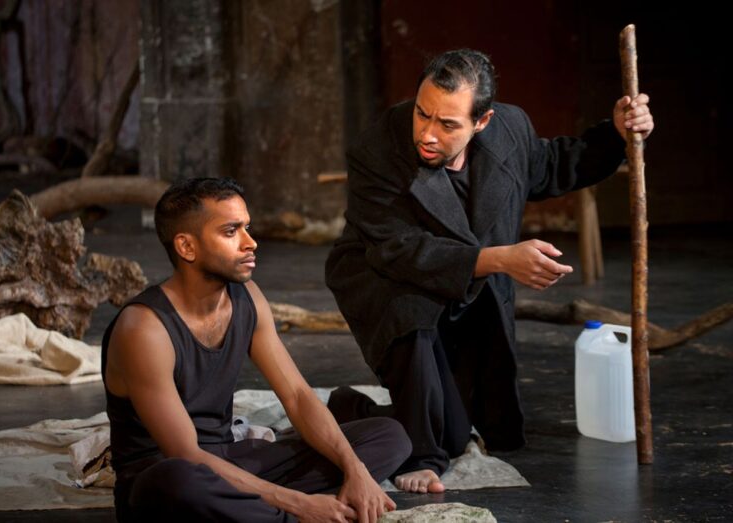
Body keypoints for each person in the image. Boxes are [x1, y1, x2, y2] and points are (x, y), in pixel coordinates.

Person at [324, 49, 654, 494]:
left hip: (466, 285)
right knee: (412, 318)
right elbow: (397, 250)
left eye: (448, 124)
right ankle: (421, 455)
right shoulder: (379, 147)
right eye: (423, 114)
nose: (427, 132)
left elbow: (552, 165)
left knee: (461, 432)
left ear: (482, 122)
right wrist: (501, 258)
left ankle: (353, 409)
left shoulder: (510, 130)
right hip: (384, 277)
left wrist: (615, 134)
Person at [102, 177, 411, 522]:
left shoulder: (247, 298)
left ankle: (260, 511)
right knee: (179, 482)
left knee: (389, 436)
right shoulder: (143, 328)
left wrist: (356, 470)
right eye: (231, 231)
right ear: (186, 247)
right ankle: (292, 515)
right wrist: (299, 503)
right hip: (167, 479)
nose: (251, 243)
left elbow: (296, 396)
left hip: (229, 458)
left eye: (247, 228)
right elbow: (185, 453)